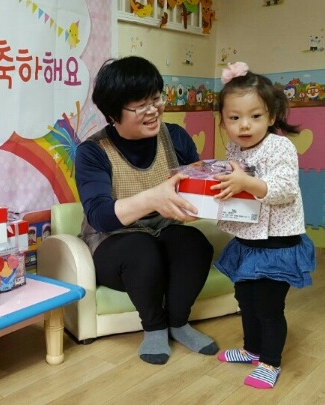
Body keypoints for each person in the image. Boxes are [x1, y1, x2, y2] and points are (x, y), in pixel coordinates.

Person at [75, 56, 218, 365]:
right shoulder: (93, 152)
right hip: (112, 242)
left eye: (156, 99)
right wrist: (152, 199)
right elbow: (99, 215)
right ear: (113, 113)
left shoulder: (175, 137)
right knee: (141, 249)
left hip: (163, 231)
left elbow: (193, 188)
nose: (153, 110)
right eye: (140, 106)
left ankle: (178, 323)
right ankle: (154, 327)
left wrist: (217, 192)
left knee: (194, 243)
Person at [211, 62, 316, 389]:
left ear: (271, 117)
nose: (244, 125)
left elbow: (285, 189)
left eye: (255, 116)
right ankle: (252, 349)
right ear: (223, 120)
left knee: (269, 307)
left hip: (277, 244)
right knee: (245, 300)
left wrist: (246, 182)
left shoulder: (280, 146)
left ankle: (270, 362)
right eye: (234, 118)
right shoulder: (233, 148)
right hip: (248, 241)